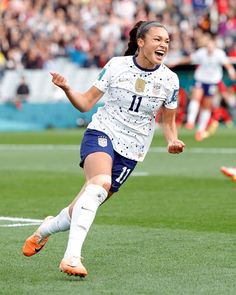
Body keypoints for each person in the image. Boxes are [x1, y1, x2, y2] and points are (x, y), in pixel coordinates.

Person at [22, 21, 185, 277]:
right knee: (99, 183)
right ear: (141, 42)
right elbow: (86, 103)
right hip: (103, 131)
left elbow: (169, 122)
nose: (163, 44)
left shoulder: (170, 80)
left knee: (84, 205)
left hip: (133, 149)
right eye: (157, 39)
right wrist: (67, 88)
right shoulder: (116, 66)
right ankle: (71, 258)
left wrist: (172, 140)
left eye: (166, 41)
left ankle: (46, 229)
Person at [170, 35, 236, 141]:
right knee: (196, 98)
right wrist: (175, 63)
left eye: (211, 46)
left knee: (207, 106)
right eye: (208, 46)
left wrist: (231, 71)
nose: (210, 48)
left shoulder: (219, 54)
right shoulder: (201, 53)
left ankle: (200, 130)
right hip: (200, 80)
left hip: (212, 82)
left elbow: (227, 64)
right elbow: (189, 59)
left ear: (214, 46)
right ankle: (190, 122)